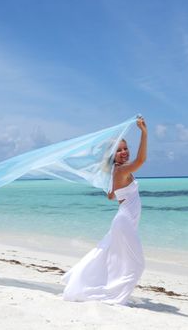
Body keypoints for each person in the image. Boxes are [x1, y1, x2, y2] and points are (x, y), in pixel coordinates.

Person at [62, 117, 147, 305]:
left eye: (125, 148)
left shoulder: (118, 172)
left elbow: (111, 196)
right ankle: (112, 296)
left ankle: (94, 287)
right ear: (113, 156)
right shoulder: (120, 171)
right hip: (124, 221)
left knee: (107, 256)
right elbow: (141, 159)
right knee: (136, 264)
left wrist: (116, 190)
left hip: (126, 220)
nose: (124, 152)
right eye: (119, 150)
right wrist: (143, 132)